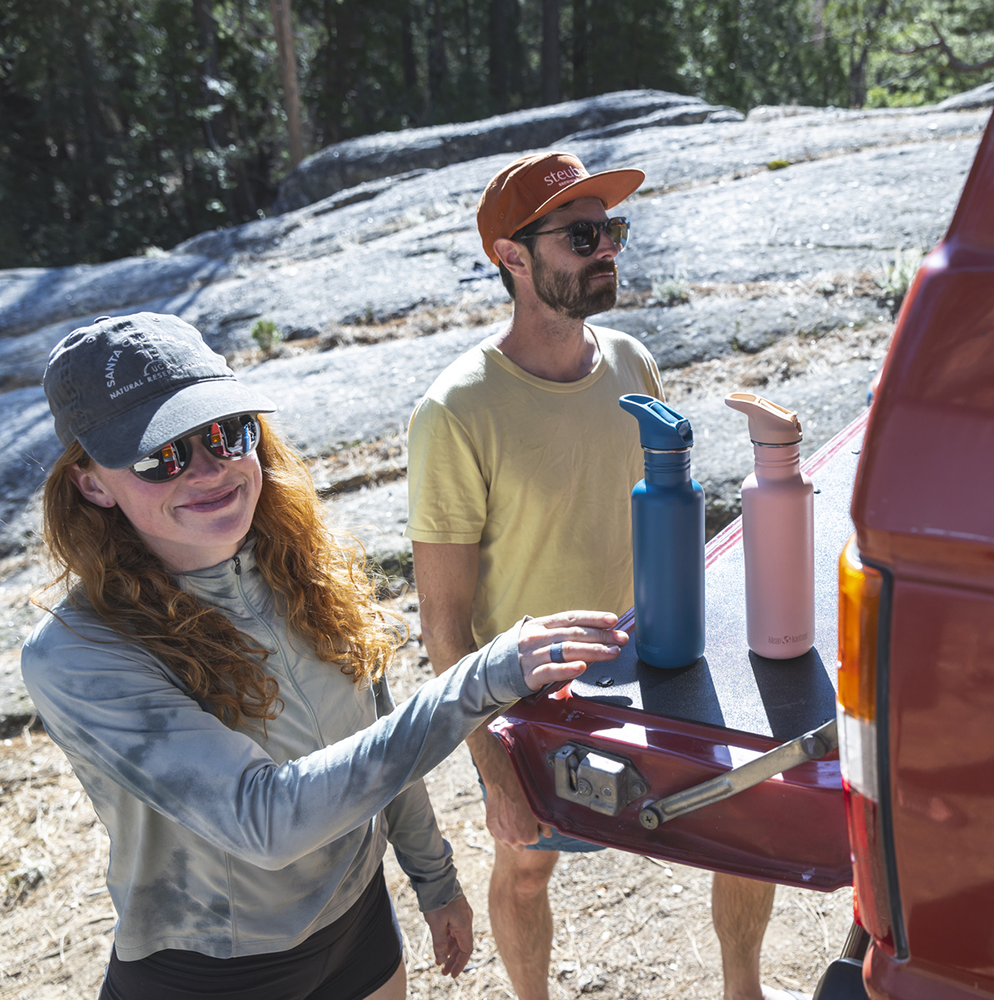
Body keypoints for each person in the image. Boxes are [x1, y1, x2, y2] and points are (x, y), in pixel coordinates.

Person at [20, 311, 630, 1000]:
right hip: (210, 976)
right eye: (161, 456)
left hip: (359, 927)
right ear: (92, 484)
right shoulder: (77, 654)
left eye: (226, 432)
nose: (210, 470)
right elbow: (265, 821)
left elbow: (379, 732)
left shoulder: (301, 567)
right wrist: (478, 679)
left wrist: (433, 879)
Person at [405, 152, 781, 1000]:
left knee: (745, 824)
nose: (607, 248)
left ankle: (743, 991)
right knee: (525, 869)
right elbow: (444, 626)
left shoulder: (632, 362)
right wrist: (494, 772)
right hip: (536, 704)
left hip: (657, 668)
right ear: (512, 257)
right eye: (582, 236)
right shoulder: (455, 411)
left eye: (612, 230)